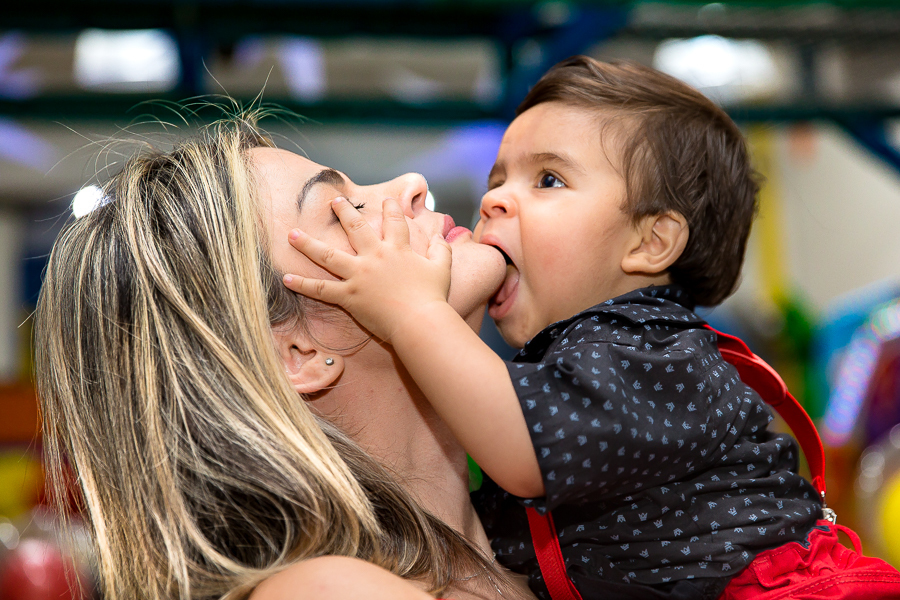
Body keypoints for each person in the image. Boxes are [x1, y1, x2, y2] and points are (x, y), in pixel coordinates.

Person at [280, 57, 825, 599]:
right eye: (497, 180)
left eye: (548, 179)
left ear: (650, 242)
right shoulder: (574, 360)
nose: (492, 199)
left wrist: (411, 311)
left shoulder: (655, 350)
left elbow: (522, 449)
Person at [33, 114, 536, 600]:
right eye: (345, 211)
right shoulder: (323, 591)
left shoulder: (543, 545)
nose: (413, 183)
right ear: (299, 353)